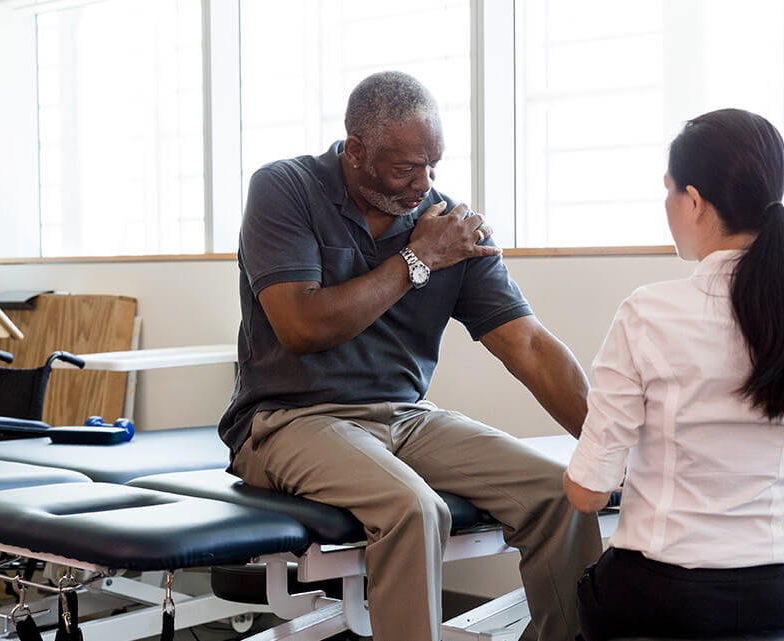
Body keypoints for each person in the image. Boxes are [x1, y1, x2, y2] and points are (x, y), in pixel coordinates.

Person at [219, 70, 602, 641]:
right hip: (288, 420)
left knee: (559, 493)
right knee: (413, 508)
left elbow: (528, 345)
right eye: (405, 169)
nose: (424, 184)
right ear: (355, 151)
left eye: (433, 166)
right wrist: (416, 260)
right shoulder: (286, 188)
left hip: (403, 417)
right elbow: (301, 326)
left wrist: (606, 447)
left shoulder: (449, 227)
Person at [564, 108, 784, 640]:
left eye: (668, 191)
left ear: (694, 200)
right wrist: (762, 512)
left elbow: (589, 493)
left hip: (657, 595)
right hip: (782, 594)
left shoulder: (647, 313)